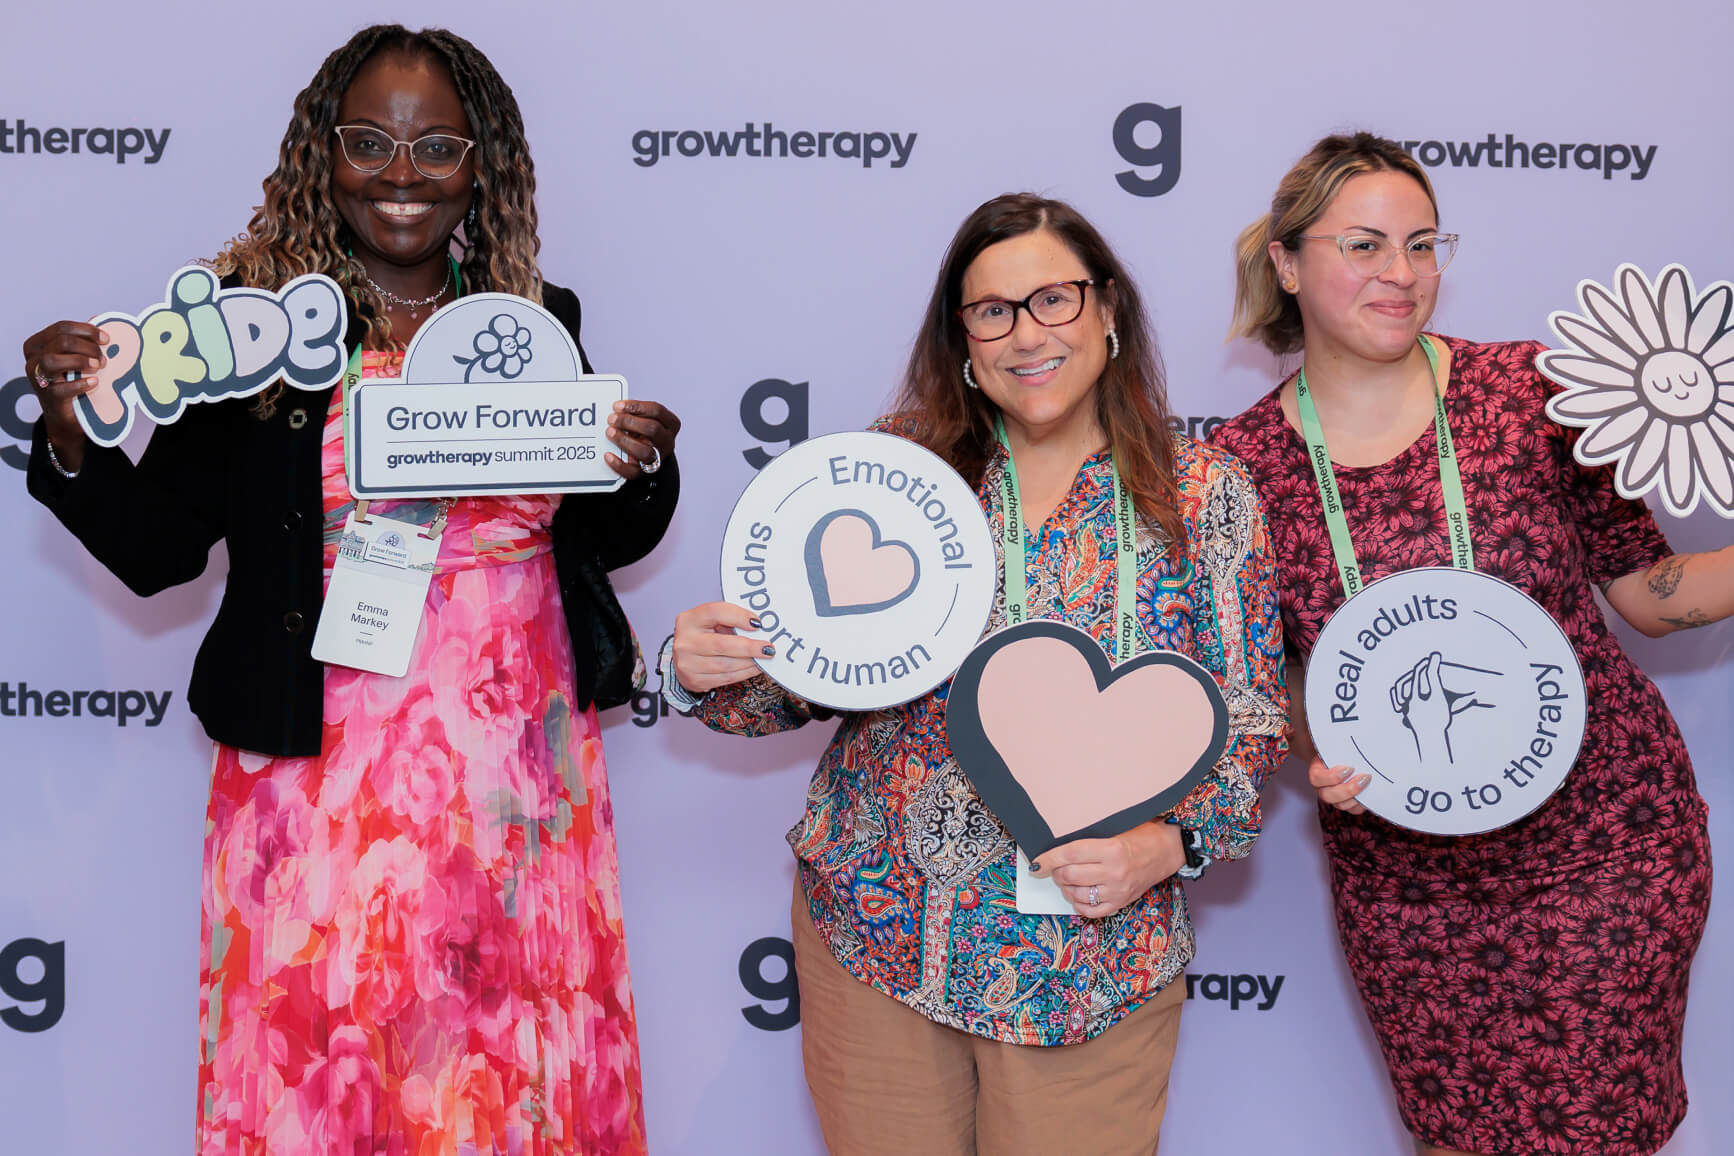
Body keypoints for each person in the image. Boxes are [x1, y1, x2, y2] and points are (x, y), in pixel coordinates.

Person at [20, 25, 677, 1156]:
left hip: (515, 791)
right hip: (308, 787)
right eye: (369, 142)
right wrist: (74, 432)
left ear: (485, 163)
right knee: (317, 1077)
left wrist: (642, 460)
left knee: (504, 1078)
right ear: (323, 153)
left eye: (436, 147)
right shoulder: (249, 330)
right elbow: (159, 547)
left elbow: (604, 535)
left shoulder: (537, 321)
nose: (402, 175)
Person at [664, 193, 1287, 1155]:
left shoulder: (1201, 492)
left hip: (1089, 956)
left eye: (1054, 300)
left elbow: (1247, 720)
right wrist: (704, 667)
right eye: (992, 311)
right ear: (962, 336)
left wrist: (1169, 847)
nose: (1024, 334)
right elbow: (801, 676)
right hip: (878, 930)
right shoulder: (903, 466)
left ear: (1109, 309)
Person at [1212, 131, 1730, 1156]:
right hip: (1409, 885)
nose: (1401, 275)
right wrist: (1317, 749)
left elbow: (1648, 592)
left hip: (1605, 847)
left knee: (1595, 1136)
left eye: (1422, 244)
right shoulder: (1238, 468)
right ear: (1286, 261)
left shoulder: (1536, 393)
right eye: (1363, 245)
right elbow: (1265, 683)